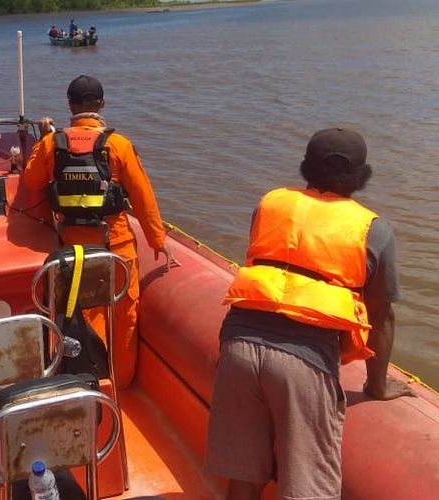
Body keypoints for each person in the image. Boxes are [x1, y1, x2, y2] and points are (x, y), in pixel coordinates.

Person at [204, 127, 415, 500]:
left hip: (237, 344)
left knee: (243, 479)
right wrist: (377, 386)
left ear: (306, 168)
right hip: (304, 360)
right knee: (307, 489)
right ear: (361, 177)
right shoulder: (373, 230)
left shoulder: (269, 204)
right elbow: (381, 316)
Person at [23, 75, 178, 389]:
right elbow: (142, 195)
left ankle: (87, 380)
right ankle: (119, 382)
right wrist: (158, 241)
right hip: (116, 244)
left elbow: (31, 181)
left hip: (72, 248)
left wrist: (43, 139)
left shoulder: (53, 143)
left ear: (70, 105)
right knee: (124, 315)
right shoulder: (118, 144)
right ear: (102, 104)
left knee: (79, 313)